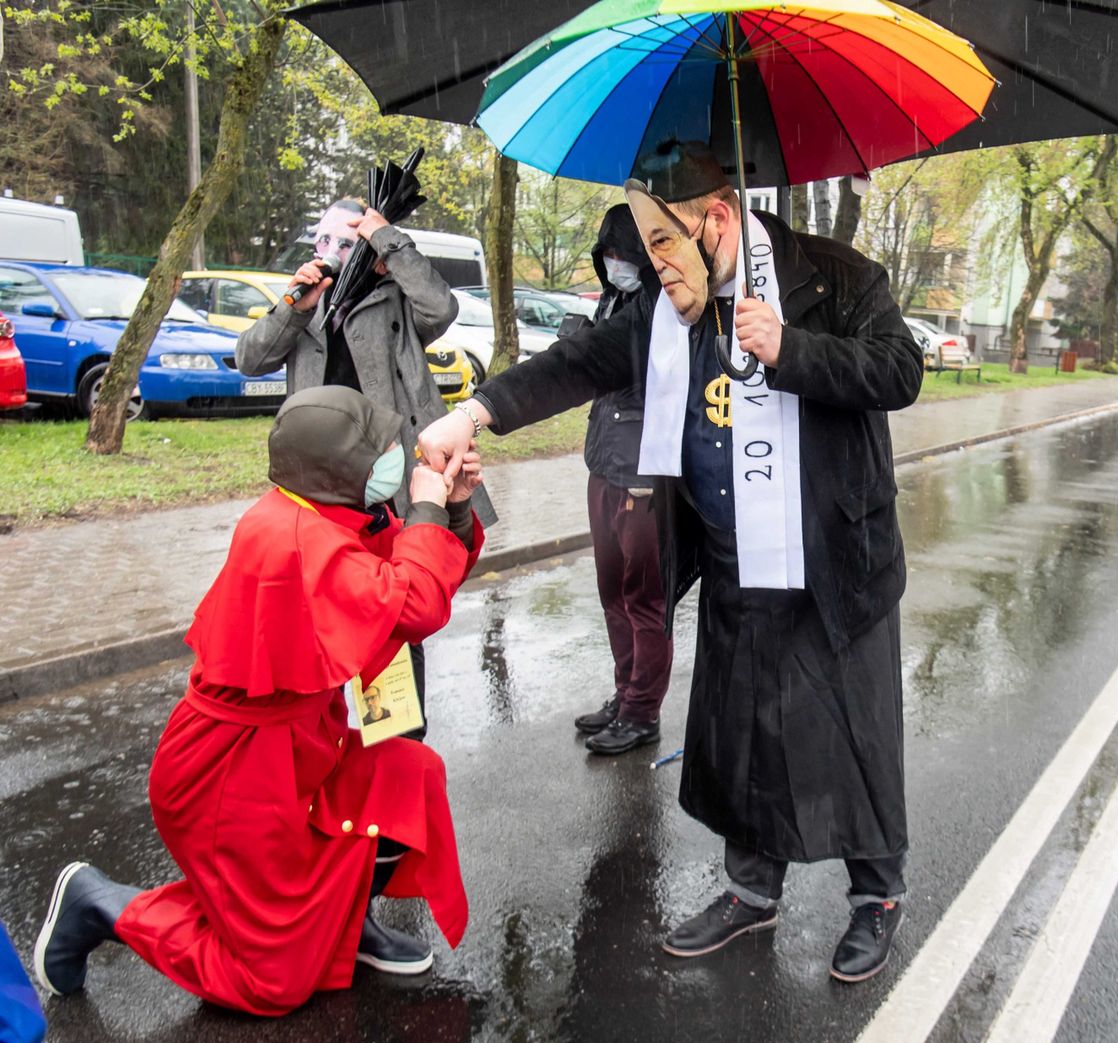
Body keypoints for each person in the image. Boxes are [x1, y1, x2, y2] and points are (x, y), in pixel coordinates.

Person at [418, 140, 924, 983]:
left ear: (716, 220)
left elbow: (899, 372)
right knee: (743, 732)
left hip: (835, 560)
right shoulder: (665, 307)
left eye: (663, 244)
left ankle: (876, 895)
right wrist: (471, 415)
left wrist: (791, 348)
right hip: (733, 562)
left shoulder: (840, 278)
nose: (653, 266)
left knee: (853, 736)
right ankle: (750, 891)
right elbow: (578, 359)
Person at [32, 387, 484, 1016]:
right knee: (271, 984)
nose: (397, 459)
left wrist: (451, 513)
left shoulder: (325, 511)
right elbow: (411, 602)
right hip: (228, 776)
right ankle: (99, 903)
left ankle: (341, 928)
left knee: (408, 778)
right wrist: (432, 514)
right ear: (339, 469)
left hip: (297, 750)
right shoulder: (292, 538)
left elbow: (404, 566)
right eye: (382, 451)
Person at [237, 197, 460, 727]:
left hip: (382, 487)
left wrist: (390, 242)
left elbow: (442, 307)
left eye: (344, 242)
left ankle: (393, 742)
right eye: (322, 240)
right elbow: (250, 357)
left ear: (368, 250)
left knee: (388, 615)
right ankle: (324, 738)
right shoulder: (305, 304)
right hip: (317, 493)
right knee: (315, 613)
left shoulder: (395, 301)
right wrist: (293, 307)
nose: (329, 253)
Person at [572, 204, 674, 755]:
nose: (615, 264)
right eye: (607, 255)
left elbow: (663, 385)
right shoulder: (614, 300)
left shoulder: (665, 307)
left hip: (643, 475)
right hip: (603, 464)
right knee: (612, 592)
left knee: (644, 600)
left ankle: (642, 713)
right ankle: (624, 693)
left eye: (623, 254)